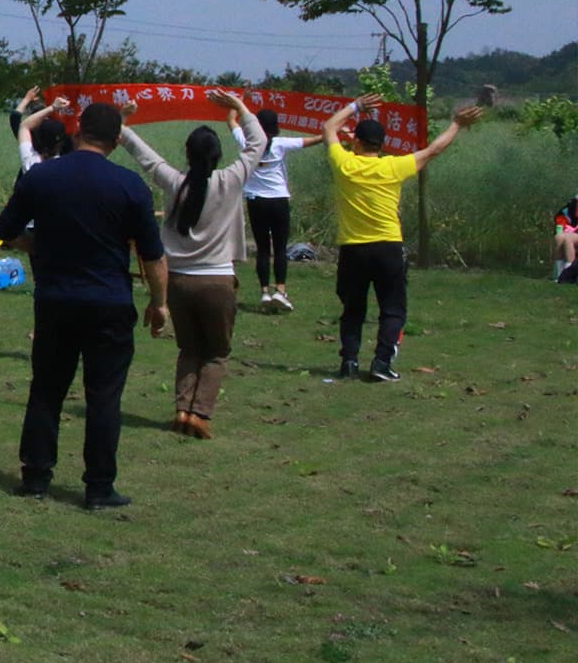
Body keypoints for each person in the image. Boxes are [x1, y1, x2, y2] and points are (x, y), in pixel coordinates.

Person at [0, 101, 168, 509]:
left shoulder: (41, 177)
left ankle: (36, 476)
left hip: (55, 298)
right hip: (109, 300)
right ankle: (99, 487)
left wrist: (40, 246)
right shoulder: (130, 186)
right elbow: (153, 256)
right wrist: (159, 303)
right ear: (117, 140)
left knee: (47, 388)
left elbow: (7, 230)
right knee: (104, 395)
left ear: (77, 131)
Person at [118, 91, 265, 438]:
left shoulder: (175, 183)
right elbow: (258, 142)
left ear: (187, 153)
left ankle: (182, 410)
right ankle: (200, 414)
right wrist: (239, 107)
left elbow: (143, 154)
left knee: (189, 348)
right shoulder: (231, 179)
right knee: (216, 352)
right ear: (217, 156)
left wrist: (122, 122)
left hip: (178, 281)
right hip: (218, 281)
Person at [322, 93, 484, 381]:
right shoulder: (394, 166)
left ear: (356, 142)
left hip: (353, 249)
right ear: (381, 145)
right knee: (393, 308)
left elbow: (328, 127)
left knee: (353, 309)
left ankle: (349, 362)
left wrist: (356, 106)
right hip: (388, 247)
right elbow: (434, 150)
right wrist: (457, 124)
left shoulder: (344, 165)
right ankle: (382, 363)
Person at [234, 109, 326, 312]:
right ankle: (281, 290)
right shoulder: (280, 144)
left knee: (262, 249)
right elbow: (314, 140)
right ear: (275, 127)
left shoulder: (247, 142)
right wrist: (335, 133)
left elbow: (231, 121)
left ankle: (264, 292)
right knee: (280, 248)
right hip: (278, 200)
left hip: (255, 201)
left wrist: (239, 99)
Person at [555, 195, 578, 284]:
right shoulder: (565, 212)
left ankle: (568, 274)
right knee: (559, 238)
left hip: (573, 237)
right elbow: (560, 226)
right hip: (571, 235)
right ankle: (560, 274)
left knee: (568, 239)